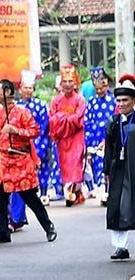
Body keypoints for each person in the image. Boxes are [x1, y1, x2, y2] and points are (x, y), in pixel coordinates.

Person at [0, 79, 57, 244]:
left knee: (30, 197)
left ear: (7, 92)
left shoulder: (22, 112)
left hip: (20, 161)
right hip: (1, 162)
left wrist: (16, 130)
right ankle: (3, 232)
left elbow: (35, 131)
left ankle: (48, 227)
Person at [103, 75, 135, 259]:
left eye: (125, 100)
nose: (121, 104)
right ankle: (120, 247)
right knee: (116, 207)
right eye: (119, 100)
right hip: (118, 169)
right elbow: (108, 148)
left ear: (133, 101)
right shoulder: (113, 122)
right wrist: (107, 170)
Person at [49, 65, 88, 206]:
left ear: (75, 82)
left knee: (76, 163)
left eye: (70, 81)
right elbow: (52, 119)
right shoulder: (56, 101)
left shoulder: (80, 100)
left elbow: (79, 119)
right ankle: (71, 192)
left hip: (76, 137)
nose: (67, 84)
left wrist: (61, 118)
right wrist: (65, 119)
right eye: (64, 81)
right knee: (64, 164)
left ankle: (74, 192)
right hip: (62, 137)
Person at [17, 78, 58, 203]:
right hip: (21, 140)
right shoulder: (16, 106)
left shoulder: (40, 105)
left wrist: (36, 137)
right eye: (25, 87)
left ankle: (44, 193)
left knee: (43, 165)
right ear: (20, 89)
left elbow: (44, 123)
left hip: (39, 139)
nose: (28, 90)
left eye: (30, 88)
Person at [86, 71, 117, 203]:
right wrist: (88, 141)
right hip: (95, 139)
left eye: (101, 88)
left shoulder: (114, 101)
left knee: (110, 165)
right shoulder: (91, 102)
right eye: (96, 89)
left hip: (110, 138)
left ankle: (109, 192)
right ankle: (103, 192)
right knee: (98, 166)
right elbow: (87, 121)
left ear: (106, 86)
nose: (99, 91)